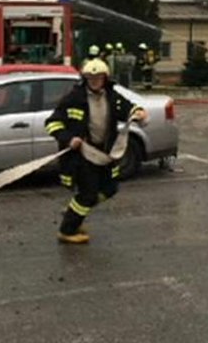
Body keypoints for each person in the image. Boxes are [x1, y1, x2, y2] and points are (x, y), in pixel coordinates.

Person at [45, 59, 147, 244]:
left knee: (110, 188)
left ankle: (73, 212)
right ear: (85, 78)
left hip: (104, 154)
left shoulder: (112, 96)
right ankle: (67, 230)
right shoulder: (74, 98)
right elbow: (52, 123)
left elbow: (129, 108)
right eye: (90, 77)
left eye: (98, 77)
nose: (94, 81)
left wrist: (138, 112)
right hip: (82, 154)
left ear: (105, 78)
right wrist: (68, 138)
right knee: (88, 194)